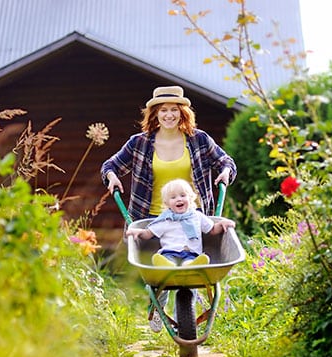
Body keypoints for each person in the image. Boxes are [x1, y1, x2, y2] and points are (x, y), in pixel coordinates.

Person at [101, 85, 237, 332]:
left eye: (174, 110)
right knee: (159, 269)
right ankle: (158, 305)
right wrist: (112, 177)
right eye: (163, 110)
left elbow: (225, 161)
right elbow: (110, 165)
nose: (169, 115)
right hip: (152, 218)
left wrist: (226, 171)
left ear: (182, 112)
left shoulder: (198, 139)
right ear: (155, 114)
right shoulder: (139, 143)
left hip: (191, 216)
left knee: (192, 265)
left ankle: (185, 314)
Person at [126, 179, 235, 267]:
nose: (179, 199)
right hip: (169, 252)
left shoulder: (197, 216)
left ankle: (191, 266)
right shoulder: (165, 219)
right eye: (173, 197)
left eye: (183, 195)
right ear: (167, 203)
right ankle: (166, 266)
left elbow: (212, 229)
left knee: (189, 262)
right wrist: (138, 232)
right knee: (168, 260)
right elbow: (149, 233)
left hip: (191, 253)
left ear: (191, 198)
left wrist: (221, 224)